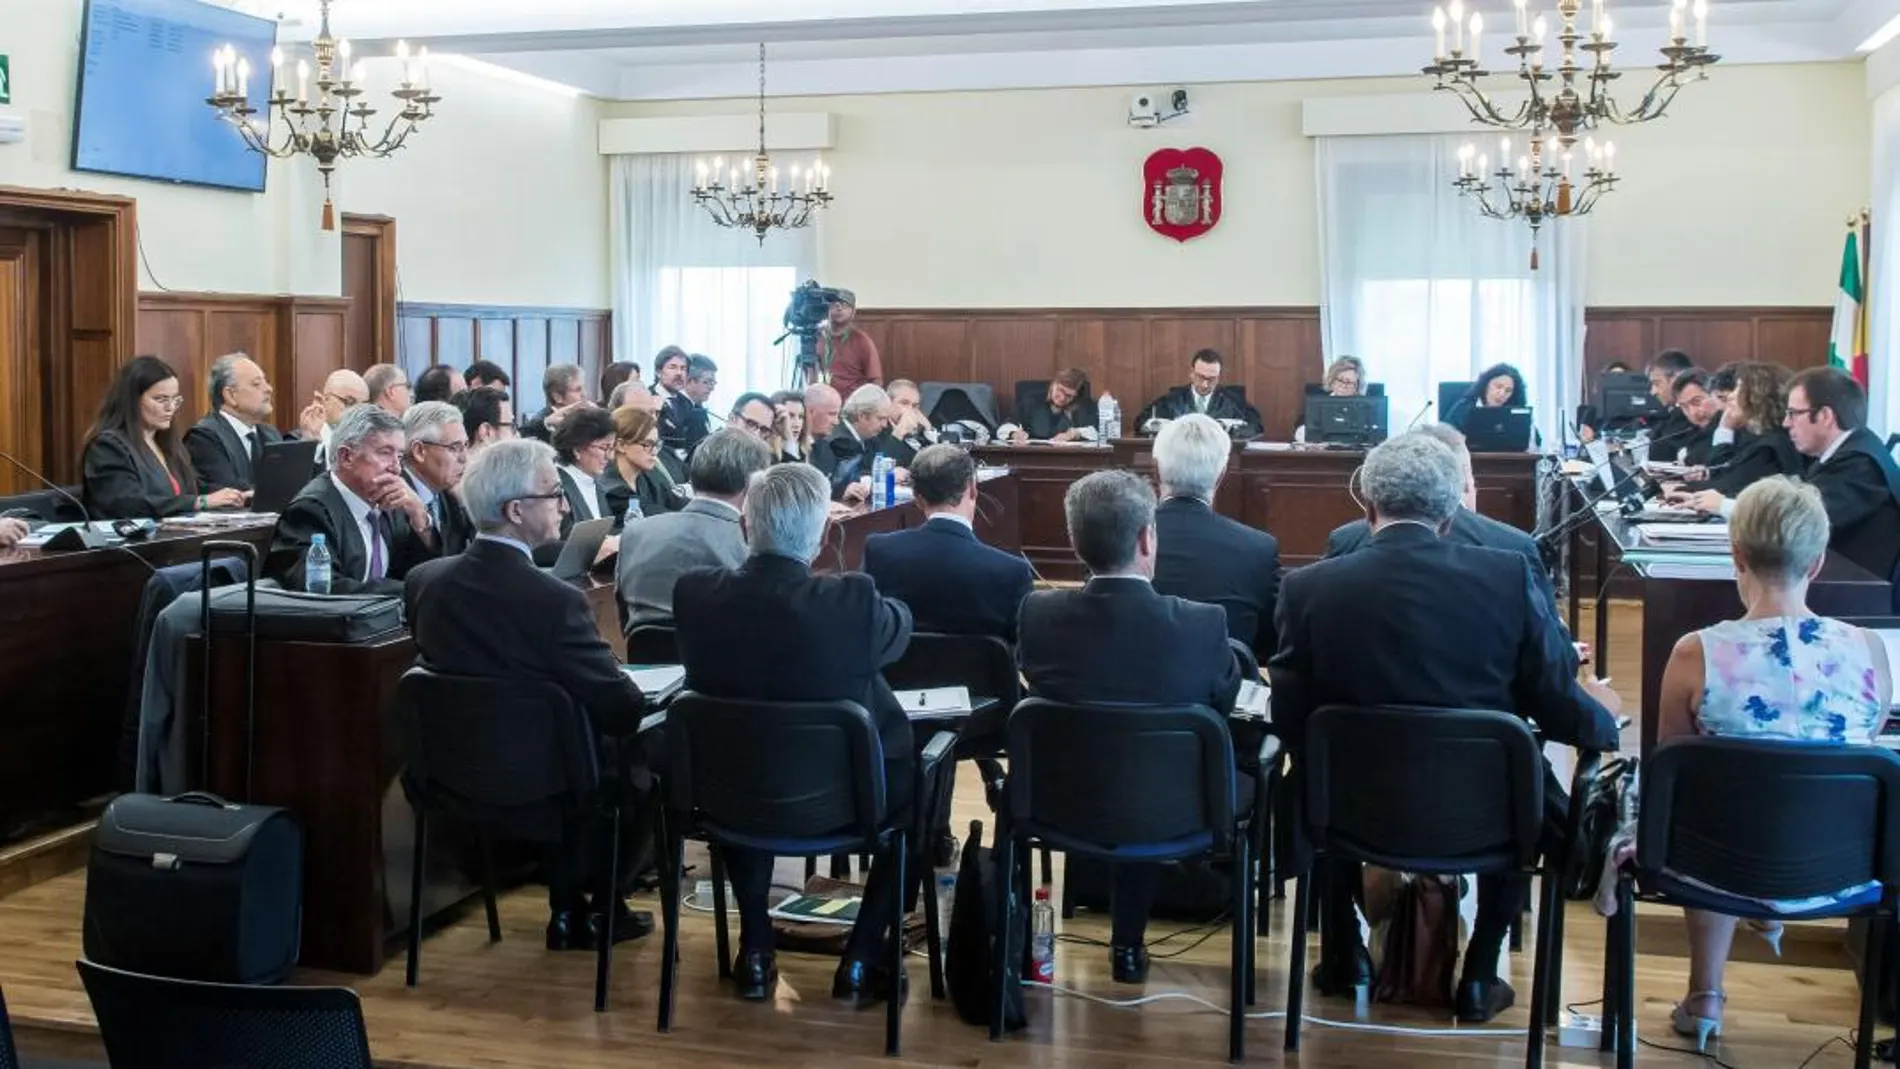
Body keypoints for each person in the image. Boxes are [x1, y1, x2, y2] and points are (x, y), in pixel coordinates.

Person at [1269, 431, 1619, 1023]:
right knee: (1525, 785)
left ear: (1369, 507)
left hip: (1351, 812)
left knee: (1312, 770)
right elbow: (1557, 703)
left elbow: (1290, 717)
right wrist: (1605, 721)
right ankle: (1481, 973)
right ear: (1452, 511)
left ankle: (1344, 956)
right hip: (1485, 813)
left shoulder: (1308, 588)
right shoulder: (1505, 579)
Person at [1655, 477, 1893, 1049]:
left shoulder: (1695, 653)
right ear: (1815, 565)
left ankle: (1705, 992)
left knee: (1699, 808)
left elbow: (1672, 767)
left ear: (1736, 555)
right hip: (1842, 871)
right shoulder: (1870, 650)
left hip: (1716, 862)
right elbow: (1868, 742)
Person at [672, 463, 916, 1004]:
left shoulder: (694, 596)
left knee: (750, 774)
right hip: (850, 801)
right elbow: (899, 626)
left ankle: (756, 946)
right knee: (922, 800)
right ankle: (862, 956)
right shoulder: (851, 601)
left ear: (744, 528)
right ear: (827, 537)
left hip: (724, 795)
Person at [404, 438, 654, 952]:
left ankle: (569, 908)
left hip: (455, 776)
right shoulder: (553, 598)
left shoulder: (426, 582)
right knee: (646, 753)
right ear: (516, 510)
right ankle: (604, 905)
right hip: (549, 780)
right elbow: (619, 706)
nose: (564, 505)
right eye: (554, 494)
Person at [1016, 469, 1243, 983]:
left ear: (1074, 542)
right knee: (1151, 772)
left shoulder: (1039, 615)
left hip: (1058, 804)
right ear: (1147, 538)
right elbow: (1226, 703)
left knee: (1122, 764)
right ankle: (1128, 946)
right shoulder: (1202, 623)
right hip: (1178, 807)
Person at [1326, 423, 1559, 615]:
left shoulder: (1344, 541)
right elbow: (1550, 659)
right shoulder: (1515, 550)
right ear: (1463, 484)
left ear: (1369, 505)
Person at [863, 444, 1033, 642]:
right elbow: (1026, 652)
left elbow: (868, 630)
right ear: (972, 490)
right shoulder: (1011, 572)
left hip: (897, 673)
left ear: (917, 499)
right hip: (978, 673)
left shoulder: (879, 552)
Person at [264, 404, 439, 595]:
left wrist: (419, 516)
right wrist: (409, 592)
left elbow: (420, 573)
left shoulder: (391, 502)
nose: (396, 468)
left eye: (399, 456)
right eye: (385, 453)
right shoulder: (310, 511)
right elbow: (324, 589)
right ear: (346, 457)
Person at [1151, 414, 1281, 659]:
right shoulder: (1258, 548)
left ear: (1156, 470)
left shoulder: (1121, 538)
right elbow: (1267, 643)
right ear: (1222, 475)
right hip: (1224, 690)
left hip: (1134, 687)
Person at [616, 428, 771, 628]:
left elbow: (623, 618)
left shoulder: (635, 534)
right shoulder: (751, 547)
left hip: (640, 656)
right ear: (754, 483)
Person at [82, 355, 246, 519]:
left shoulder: (166, 443)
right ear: (132, 400)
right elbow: (127, 504)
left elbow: (192, 489)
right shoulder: (108, 446)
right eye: (161, 399)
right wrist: (200, 502)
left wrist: (236, 495)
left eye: (175, 399)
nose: (170, 408)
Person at [1783, 368, 1900, 594]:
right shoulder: (1849, 452)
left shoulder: (1861, 464)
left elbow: (1799, 519)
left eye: (1793, 413)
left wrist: (1726, 507)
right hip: (1840, 582)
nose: (1786, 423)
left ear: (1825, 416)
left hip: (1860, 597)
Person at [1668, 363, 1801, 505]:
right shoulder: (1755, 437)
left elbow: (1728, 487)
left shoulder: (1769, 447)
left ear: (1758, 397)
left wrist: (1682, 490)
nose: (1731, 396)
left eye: (1738, 389)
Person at [185, 352, 286, 494]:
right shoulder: (204, 437)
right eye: (256, 384)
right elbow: (230, 490)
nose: (269, 389)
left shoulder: (270, 434)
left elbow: (288, 481)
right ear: (231, 395)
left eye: (266, 382)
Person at [401, 401, 474, 557]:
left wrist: (467, 503)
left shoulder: (450, 493)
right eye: (454, 448)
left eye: (465, 446)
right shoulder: (395, 498)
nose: (464, 458)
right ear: (419, 451)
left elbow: (480, 553)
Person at [1136, 350, 1263, 439]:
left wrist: (1231, 428)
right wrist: (1164, 427)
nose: (1205, 384)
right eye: (1201, 377)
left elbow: (1256, 426)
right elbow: (1141, 423)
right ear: (1192, 373)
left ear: (1219, 377)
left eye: (1211, 379)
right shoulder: (1173, 400)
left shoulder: (1234, 401)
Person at [608, 405, 688, 519]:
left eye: (656, 445)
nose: (655, 452)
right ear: (621, 445)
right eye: (647, 445)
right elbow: (661, 518)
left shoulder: (650, 477)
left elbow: (677, 502)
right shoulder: (612, 489)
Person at [552, 406, 620, 538]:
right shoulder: (557, 486)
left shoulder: (594, 483)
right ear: (577, 450)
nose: (610, 456)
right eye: (604, 448)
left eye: (611, 448)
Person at [825, 384, 898, 502]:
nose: (885, 425)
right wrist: (885, 474)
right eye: (880, 418)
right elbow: (853, 478)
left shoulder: (869, 438)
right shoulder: (841, 441)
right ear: (862, 416)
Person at [1001, 367, 1099, 444]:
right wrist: (1014, 434)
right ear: (1054, 383)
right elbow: (1005, 427)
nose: (1062, 398)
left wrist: (1075, 434)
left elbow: (1097, 431)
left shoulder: (1083, 405)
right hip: (1034, 457)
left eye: (1069, 396)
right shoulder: (1031, 400)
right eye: (1060, 390)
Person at [819, 288, 883, 399]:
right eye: (834, 304)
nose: (839, 307)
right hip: (821, 400)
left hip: (851, 404)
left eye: (844, 304)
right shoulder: (815, 336)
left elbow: (876, 380)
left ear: (853, 312)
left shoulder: (862, 340)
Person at [305, 369, 370, 469]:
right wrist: (313, 443)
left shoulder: (369, 443)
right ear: (322, 400)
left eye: (362, 407)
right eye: (349, 402)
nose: (356, 412)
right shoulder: (299, 441)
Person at [1444, 362, 1529, 434]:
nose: (1502, 393)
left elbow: (1536, 440)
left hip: (1506, 454)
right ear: (1486, 385)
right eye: (1498, 386)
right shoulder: (1465, 406)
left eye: (1508, 390)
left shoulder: (1515, 411)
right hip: (1468, 453)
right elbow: (1445, 435)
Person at [660, 355, 716, 458]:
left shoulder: (697, 406)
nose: (712, 388)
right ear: (688, 381)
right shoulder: (675, 410)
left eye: (713, 383)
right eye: (707, 382)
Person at [1644, 349, 1698, 447]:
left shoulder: (1690, 418)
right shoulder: (1670, 414)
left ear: (1677, 379)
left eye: (1657, 383)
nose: (1653, 392)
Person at [524, 364, 588, 443]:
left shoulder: (584, 417)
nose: (584, 394)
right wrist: (547, 423)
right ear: (557, 396)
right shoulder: (541, 424)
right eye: (578, 390)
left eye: (583, 388)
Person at [1671, 369, 1723, 467]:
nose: (1693, 412)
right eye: (1684, 407)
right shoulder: (1691, 432)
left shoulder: (1732, 428)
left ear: (1716, 395)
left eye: (1697, 402)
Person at [881, 379, 936, 466]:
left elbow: (932, 464)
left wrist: (928, 430)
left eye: (914, 406)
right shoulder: (878, 427)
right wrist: (899, 432)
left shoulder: (915, 432)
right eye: (904, 403)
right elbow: (880, 465)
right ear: (888, 402)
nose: (909, 410)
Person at [804, 383, 844, 475]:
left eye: (837, 415)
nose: (836, 422)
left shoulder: (826, 449)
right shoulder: (790, 448)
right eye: (832, 414)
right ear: (810, 411)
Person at [769, 389, 809, 463]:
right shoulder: (766, 455)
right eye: (790, 416)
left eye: (801, 417)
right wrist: (788, 439)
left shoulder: (806, 452)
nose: (797, 424)